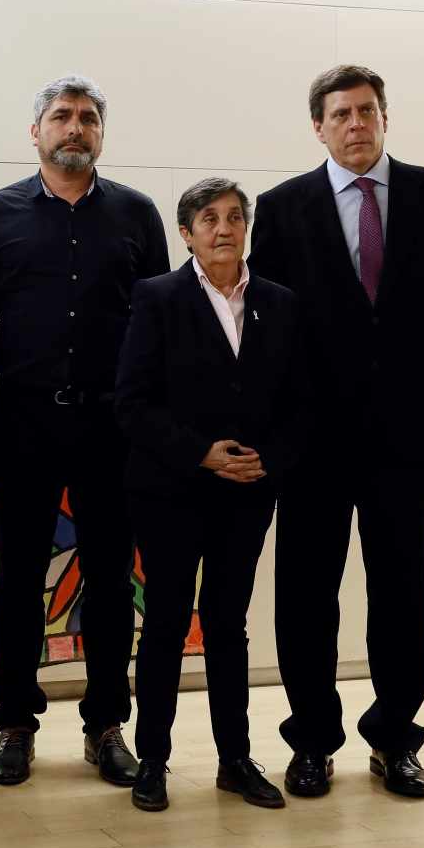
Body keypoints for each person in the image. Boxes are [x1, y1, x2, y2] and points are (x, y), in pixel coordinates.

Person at [248, 65, 424, 800]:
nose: (357, 123)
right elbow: (266, 327)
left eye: (367, 111)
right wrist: (268, 428)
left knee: (401, 590)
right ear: (317, 127)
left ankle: (394, 740)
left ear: (385, 118)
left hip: (409, 429)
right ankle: (313, 742)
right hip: (314, 437)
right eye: (341, 114)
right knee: (306, 592)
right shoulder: (281, 207)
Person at [0, 74, 169, 788]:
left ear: (100, 133)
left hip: (115, 428)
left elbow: (159, 326)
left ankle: (107, 726)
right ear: (36, 132)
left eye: (86, 118)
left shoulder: (138, 216)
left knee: (111, 584)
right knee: (17, 583)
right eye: (61, 117)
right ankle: (16, 723)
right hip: (22, 423)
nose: (74, 127)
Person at [113, 178, 301, 812]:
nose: (224, 228)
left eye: (233, 217)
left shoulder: (279, 302)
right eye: (208, 219)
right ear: (186, 233)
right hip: (170, 489)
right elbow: (132, 404)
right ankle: (154, 762)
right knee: (166, 622)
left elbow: (302, 405)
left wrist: (267, 460)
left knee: (229, 626)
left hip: (247, 492)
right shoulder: (157, 297)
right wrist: (200, 452)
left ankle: (234, 760)